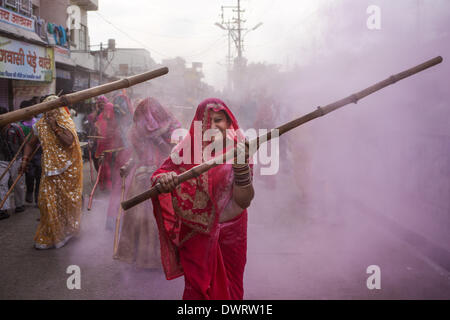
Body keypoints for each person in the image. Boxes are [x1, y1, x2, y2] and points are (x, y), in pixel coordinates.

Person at [150, 98, 254, 300]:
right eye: (209, 121)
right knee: (198, 291)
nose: (214, 126)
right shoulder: (186, 150)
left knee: (230, 291)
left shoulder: (239, 151)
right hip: (197, 236)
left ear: (229, 122)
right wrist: (166, 179)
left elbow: (244, 201)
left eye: (219, 120)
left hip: (232, 235)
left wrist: (241, 168)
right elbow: (160, 175)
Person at [114, 97, 180, 268]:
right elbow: (137, 155)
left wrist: (157, 138)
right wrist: (128, 167)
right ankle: (140, 257)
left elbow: (175, 154)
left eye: (147, 116)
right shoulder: (137, 130)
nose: (145, 121)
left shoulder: (172, 127)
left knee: (159, 218)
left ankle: (162, 259)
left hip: (165, 179)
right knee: (138, 218)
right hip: (141, 177)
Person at [19, 95, 83, 249]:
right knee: (46, 204)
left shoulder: (65, 122)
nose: (48, 113)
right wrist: (25, 159)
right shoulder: (39, 125)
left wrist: (55, 126)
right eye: (46, 110)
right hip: (48, 171)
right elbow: (30, 143)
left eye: (52, 109)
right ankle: (49, 235)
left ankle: (67, 232)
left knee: (65, 203)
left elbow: (69, 142)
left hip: (67, 171)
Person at [0, 106, 26, 217]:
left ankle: (19, 204)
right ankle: (3, 208)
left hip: (17, 158)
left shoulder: (15, 128)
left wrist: (25, 159)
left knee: (18, 183)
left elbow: (24, 143)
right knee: (1, 183)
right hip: (2, 160)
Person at [18, 100, 42, 205]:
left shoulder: (38, 122)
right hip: (26, 152)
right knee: (30, 174)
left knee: (39, 175)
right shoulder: (19, 125)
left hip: (39, 152)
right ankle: (29, 191)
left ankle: (37, 198)